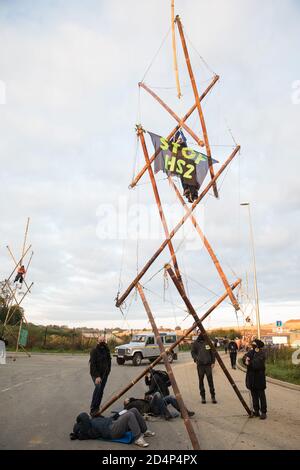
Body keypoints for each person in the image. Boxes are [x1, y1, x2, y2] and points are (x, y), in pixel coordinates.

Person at [70, 407, 155, 447]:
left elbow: (108, 419)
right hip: (111, 431)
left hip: (112, 423)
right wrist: (81, 419)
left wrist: (118, 414)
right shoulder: (86, 430)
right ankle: (138, 439)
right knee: (129, 415)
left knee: (133, 410)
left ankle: (144, 430)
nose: (87, 417)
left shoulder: (91, 421)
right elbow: (83, 415)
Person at [242, 339, 267, 420]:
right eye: (252, 344)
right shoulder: (251, 352)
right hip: (251, 377)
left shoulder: (262, 353)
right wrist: (245, 359)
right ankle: (256, 411)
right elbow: (245, 356)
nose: (253, 346)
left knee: (261, 395)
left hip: (259, 377)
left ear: (258, 346)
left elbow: (257, 364)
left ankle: (263, 412)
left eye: (254, 344)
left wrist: (249, 362)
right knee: (254, 395)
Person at [124, 391, 194, 420]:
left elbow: (145, 401)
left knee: (170, 397)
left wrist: (149, 398)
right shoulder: (129, 406)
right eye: (126, 400)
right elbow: (125, 412)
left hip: (152, 404)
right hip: (151, 409)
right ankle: (167, 414)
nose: (126, 399)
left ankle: (184, 412)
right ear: (126, 403)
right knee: (157, 394)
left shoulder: (134, 400)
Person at [191, 333, 217, 404]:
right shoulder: (196, 343)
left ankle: (213, 396)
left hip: (208, 365)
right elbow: (193, 352)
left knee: (210, 381)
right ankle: (203, 397)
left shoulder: (208, 342)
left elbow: (212, 352)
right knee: (201, 381)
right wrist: (195, 359)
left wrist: (213, 362)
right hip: (200, 365)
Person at [89, 336, 111, 417]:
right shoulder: (94, 350)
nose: (102, 342)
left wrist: (108, 370)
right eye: (100, 340)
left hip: (104, 374)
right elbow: (92, 365)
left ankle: (97, 410)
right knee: (98, 387)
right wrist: (97, 376)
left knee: (101, 390)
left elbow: (109, 361)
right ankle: (93, 408)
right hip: (96, 374)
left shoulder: (106, 350)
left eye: (103, 340)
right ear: (97, 341)